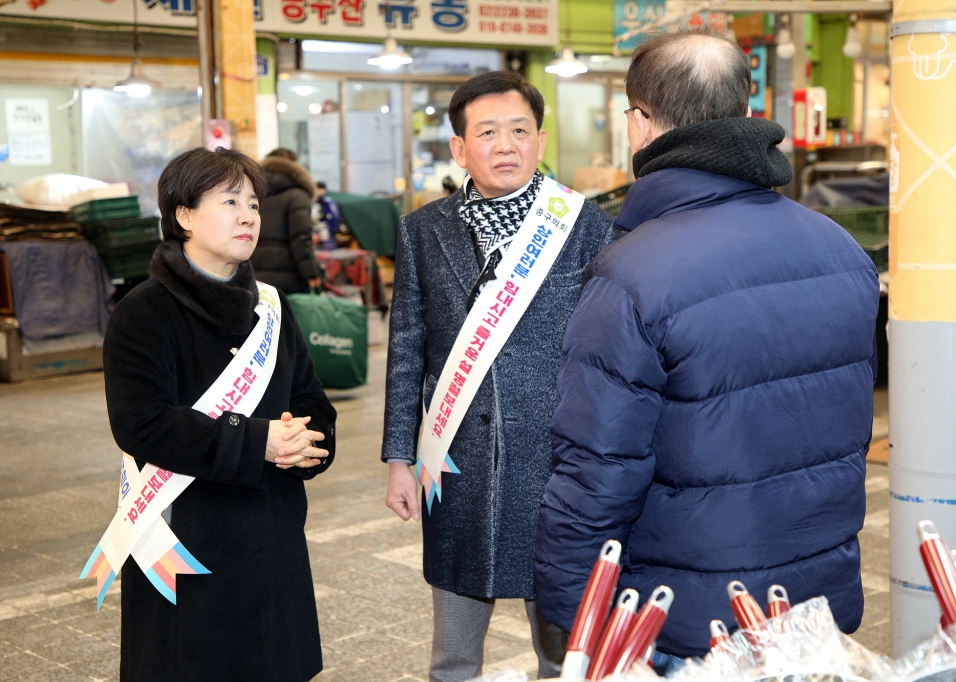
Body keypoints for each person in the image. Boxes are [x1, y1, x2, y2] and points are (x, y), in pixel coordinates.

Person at [534, 27, 879, 668]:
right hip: (812, 607)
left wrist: (570, 611)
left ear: (639, 126)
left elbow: (599, 469)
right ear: (747, 113)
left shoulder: (633, 272)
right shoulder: (841, 251)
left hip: (685, 620)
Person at [381, 71, 617, 682]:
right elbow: (407, 347)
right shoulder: (422, 231)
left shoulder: (587, 226)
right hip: (456, 465)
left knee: (564, 653)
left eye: (519, 130)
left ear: (540, 141)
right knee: (453, 656)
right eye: (487, 132)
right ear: (460, 147)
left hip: (557, 465)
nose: (505, 145)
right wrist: (398, 458)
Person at [102, 147, 337, 681]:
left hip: (271, 532)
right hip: (186, 538)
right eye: (230, 201)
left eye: (253, 203)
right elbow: (142, 422)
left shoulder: (272, 306)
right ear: (183, 215)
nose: (248, 216)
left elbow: (311, 401)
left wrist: (308, 442)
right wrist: (259, 442)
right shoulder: (143, 311)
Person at [251, 148, 322, 293]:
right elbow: (301, 238)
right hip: (290, 279)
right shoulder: (298, 195)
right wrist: (311, 273)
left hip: (255, 277)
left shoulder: (255, 194)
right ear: (294, 165)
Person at [313, 180, 344, 249]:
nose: (319, 191)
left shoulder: (329, 202)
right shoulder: (314, 202)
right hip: (317, 234)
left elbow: (335, 218)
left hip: (327, 234)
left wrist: (333, 229)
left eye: (321, 188)